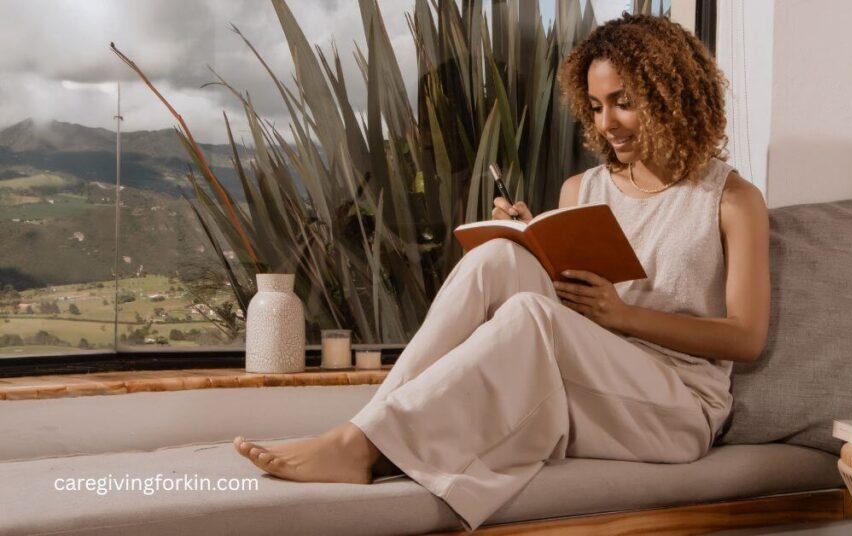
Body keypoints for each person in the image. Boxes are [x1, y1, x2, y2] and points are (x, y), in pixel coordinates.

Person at [233, 13, 769, 532]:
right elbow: (572, 305)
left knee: (532, 313)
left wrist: (624, 316)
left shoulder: (731, 199)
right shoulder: (583, 190)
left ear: (671, 95)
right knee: (497, 259)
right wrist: (532, 242)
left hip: (676, 407)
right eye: (598, 106)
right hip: (588, 374)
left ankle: (365, 444)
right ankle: (365, 430)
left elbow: (745, 338)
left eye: (624, 103)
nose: (608, 124)